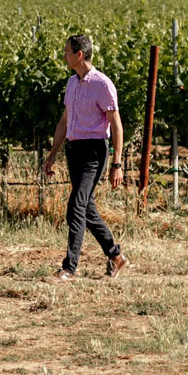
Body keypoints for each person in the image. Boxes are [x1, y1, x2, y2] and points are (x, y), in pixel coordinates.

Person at [42, 34, 128, 280]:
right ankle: (115, 256)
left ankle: (69, 267)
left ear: (79, 54)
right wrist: (53, 155)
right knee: (85, 208)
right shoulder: (71, 83)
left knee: (76, 206)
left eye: (67, 51)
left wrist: (117, 163)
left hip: (94, 152)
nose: (63, 56)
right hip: (74, 150)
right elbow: (65, 120)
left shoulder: (102, 84)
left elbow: (117, 125)